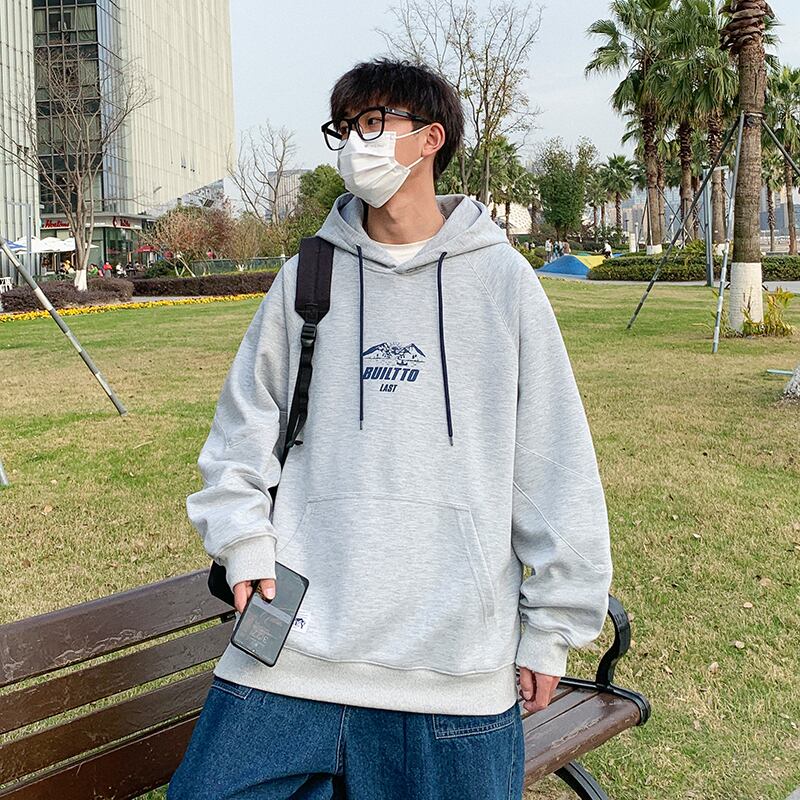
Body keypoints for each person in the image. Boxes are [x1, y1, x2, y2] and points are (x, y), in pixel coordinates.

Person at [169, 58, 612, 800]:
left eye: (374, 123)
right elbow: (240, 434)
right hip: (291, 654)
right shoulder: (306, 277)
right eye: (345, 127)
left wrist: (552, 626)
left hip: (454, 673)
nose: (355, 143)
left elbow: (554, 464)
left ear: (430, 138)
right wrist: (243, 544)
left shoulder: (503, 283)